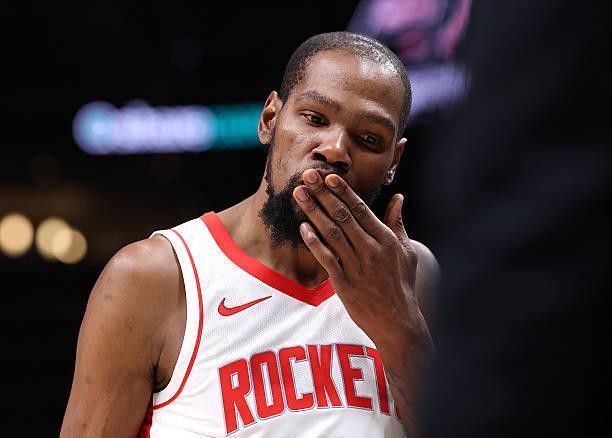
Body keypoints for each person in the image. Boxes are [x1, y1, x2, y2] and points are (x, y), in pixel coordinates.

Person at [60, 32, 439, 438]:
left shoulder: (413, 276)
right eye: (314, 118)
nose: (334, 150)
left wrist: (398, 327)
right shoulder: (153, 277)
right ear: (270, 119)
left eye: (369, 139)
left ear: (394, 161)